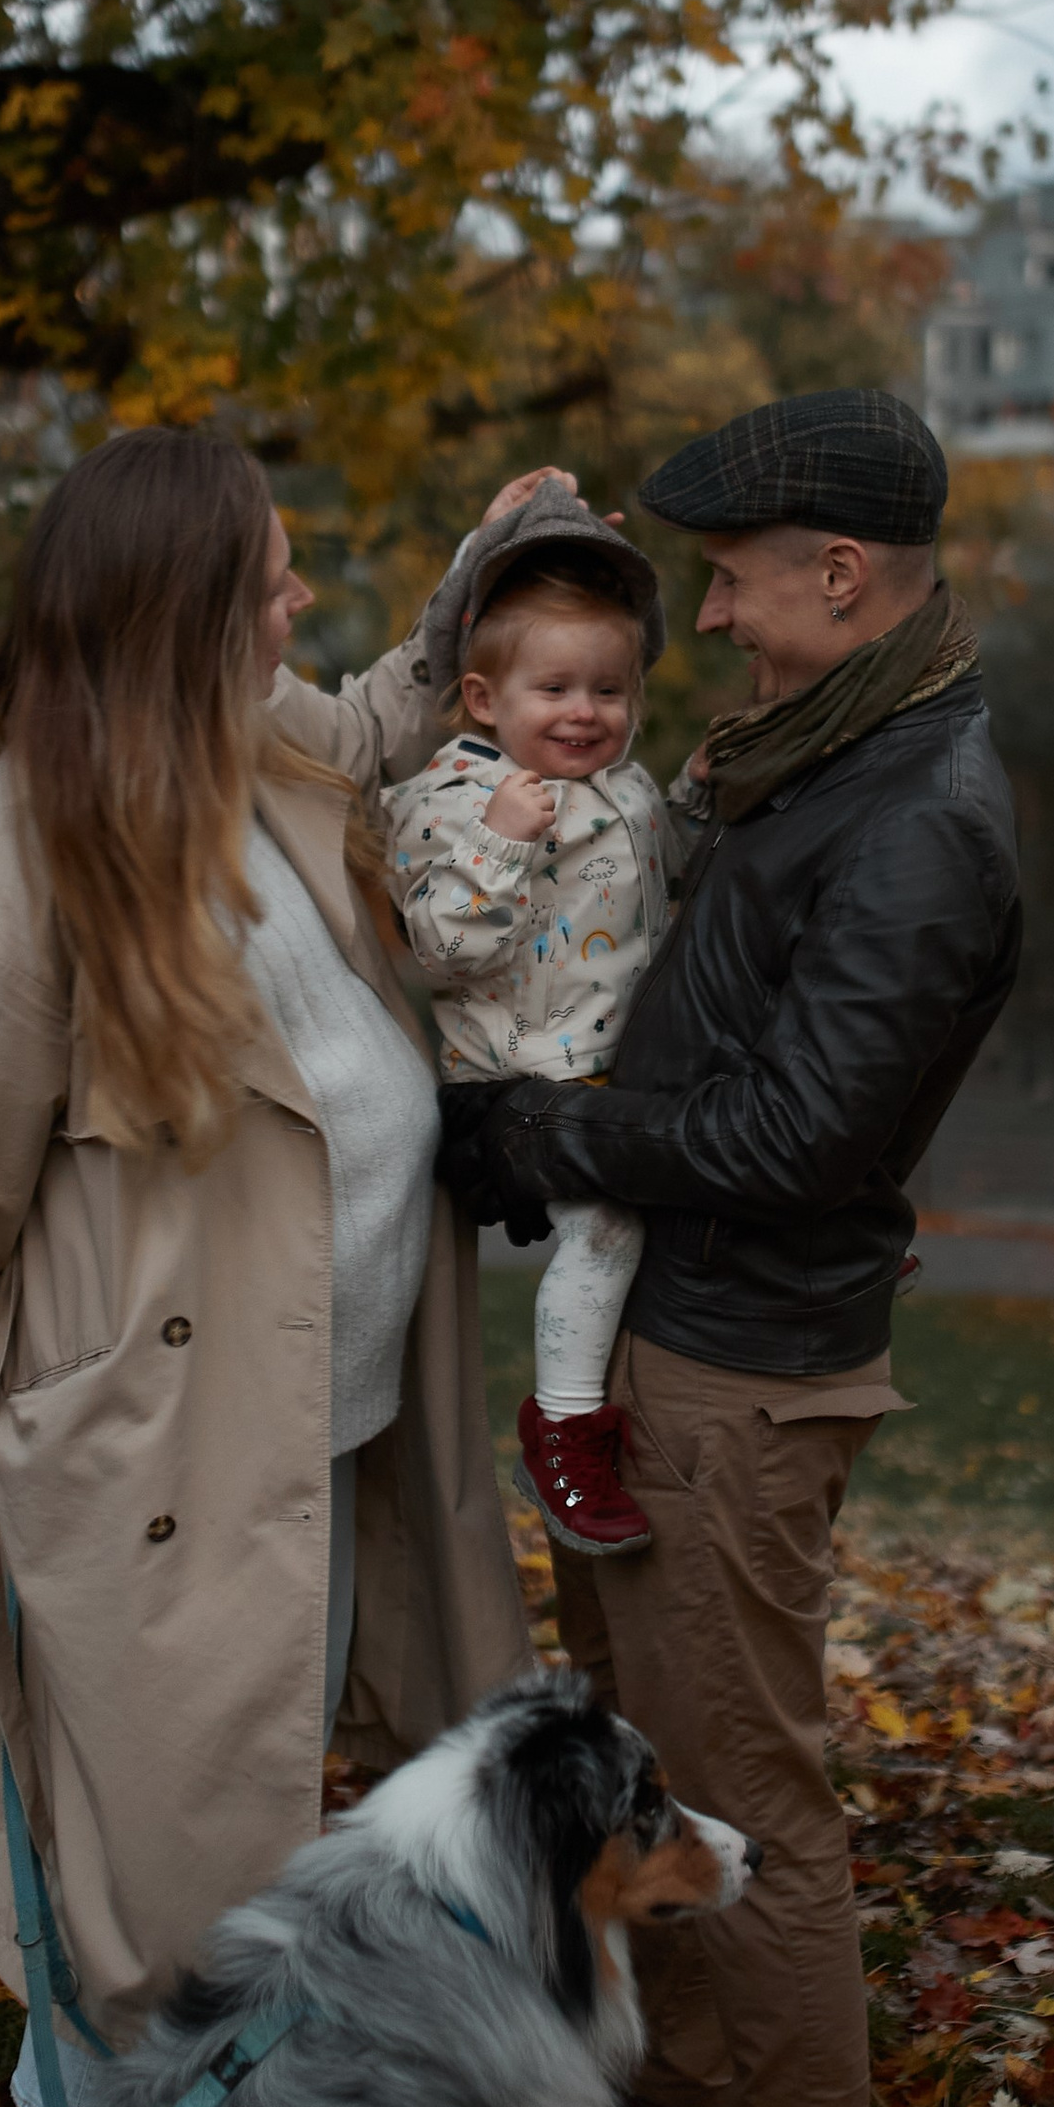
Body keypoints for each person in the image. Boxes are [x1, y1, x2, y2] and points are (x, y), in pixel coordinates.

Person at [0, 427, 543, 2107]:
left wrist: (480, 585)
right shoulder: (35, 838)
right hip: (163, 1435)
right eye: (271, 577)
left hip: (319, 1415)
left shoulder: (244, 743)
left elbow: (375, 727)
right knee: (162, 1855)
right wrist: (24, 1378)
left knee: (229, 1822)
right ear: (186, 614)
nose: (298, 599)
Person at [439, 386, 1021, 2107]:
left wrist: (547, 1135)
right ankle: (679, 2086)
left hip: (742, 1375)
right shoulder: (816, 752)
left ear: (839, 574)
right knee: (646, 1754)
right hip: (662, 1341)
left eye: (731, 583)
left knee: (752, 1798)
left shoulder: (918, 818)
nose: (706, 620)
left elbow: (799, 1136)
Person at [381, 488, 679, 1564]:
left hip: (616, 1069)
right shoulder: (451, 802)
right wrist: (501, 844)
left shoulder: (625, 787)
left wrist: (694, 803)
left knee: (722, 1149)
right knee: (609, 1227)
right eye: (553, 689)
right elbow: (441, 951)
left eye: (609, 689)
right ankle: (561, 1430)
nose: (584, 712)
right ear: (482, 696)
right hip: (511, 1088)